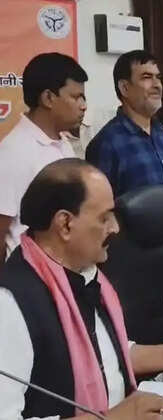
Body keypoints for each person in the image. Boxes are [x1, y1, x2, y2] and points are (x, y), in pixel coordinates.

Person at [0, 158, 163, 419]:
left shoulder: (85, 273)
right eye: (104, 218)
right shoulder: (10, 305)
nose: (115, 228)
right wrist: (113, 417)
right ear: (65, 224)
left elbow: (106, 355)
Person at [0, 53, 86, 268]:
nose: (83, 106)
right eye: (76, 97)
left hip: (65, 272)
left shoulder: (64, 143)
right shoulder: (13, 152)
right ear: (48, 98)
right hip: (30, 276)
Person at [86, 50, 163, 197]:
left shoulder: (162, 133)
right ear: (124, 88)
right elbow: (98, 203)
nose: (157, 85)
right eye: (146, 77)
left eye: (158, 78)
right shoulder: (106, 143)